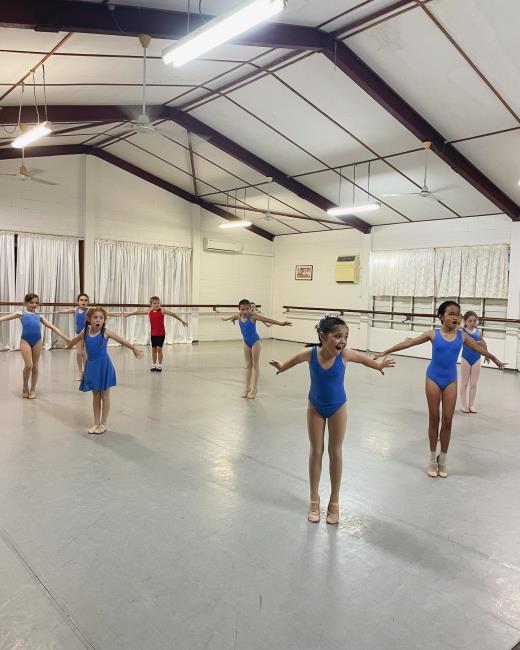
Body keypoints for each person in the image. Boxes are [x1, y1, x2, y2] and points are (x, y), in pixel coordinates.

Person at [270, 316, 395, 524]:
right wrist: (282, 366)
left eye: (345, 337)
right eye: (337, 336)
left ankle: (334, 500)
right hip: (315, 407)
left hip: (338, 408)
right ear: (323, 336)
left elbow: (364, 360)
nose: (342, 341)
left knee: (335, 452)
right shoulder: (310, 354)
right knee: (316, 451)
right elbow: (293, 360)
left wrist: (378, 365)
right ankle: (314, 498)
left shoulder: (345, 354)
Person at [374, 301, 505, 478]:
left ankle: (442, 459)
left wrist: (495, 359)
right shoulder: (432, 334)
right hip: (433, 379)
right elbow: (409, 343)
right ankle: (432, 459)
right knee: (434, 419)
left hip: (450, 380)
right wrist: (385, 351)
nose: (456, 317)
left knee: (448, 420)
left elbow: (479, 348)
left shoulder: (462, 336)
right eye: (451, 314)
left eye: (458, 314)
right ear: (441, 316)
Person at [66, 306, 143, 434]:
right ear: (89, 319)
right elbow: (74, 340)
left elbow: (122, 341)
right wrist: (68, 346)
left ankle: (103, 424)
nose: (98, 320)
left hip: (104, 366)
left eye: (101, 318)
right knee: (96, 395)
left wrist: (133, 349)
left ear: (104, 320)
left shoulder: (106, 332)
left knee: (105, 396)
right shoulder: (85, 332)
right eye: (95, 317)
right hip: (91, 367)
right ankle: (96, 423)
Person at [0, 293, 70, 399]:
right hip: (25, 341)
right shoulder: (20, 313)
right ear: (25, 303)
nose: (34, 305)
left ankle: (32, 389)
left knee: (35, 366)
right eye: (31, 302)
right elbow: (3, 318)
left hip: (37, 341)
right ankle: (25, 386)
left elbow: (53, 327)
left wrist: (67, 339)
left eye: (36, 303)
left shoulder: (39, 316)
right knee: (29, 365)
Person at [222, 298, 292, 399]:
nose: (245, 311)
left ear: (250, 308)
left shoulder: (253, 317)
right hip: (246, 343)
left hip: (255, 342)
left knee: (255, 365)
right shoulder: (238, 316)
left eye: (247, 309)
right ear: (239, 309)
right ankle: (247, 388)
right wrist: (229, 319)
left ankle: (254, 389)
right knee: (248, 366)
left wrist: (280, 323)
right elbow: (233, 316)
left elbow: (267, 320)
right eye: (242, 309)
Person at [55, 294, 127, 380]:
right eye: (81, 300)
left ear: (88, 302)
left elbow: (105, 313)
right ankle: (80, 372)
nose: (83, 302)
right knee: (79, 353)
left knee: (85, 353)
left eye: (85, 300)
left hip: (87, 334)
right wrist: (58, 312)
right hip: (79, 334)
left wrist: (119, 314)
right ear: (77, 302)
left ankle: (87, 372)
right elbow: (67, 311)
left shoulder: (89, 311)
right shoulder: (76, 309)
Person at [124, 296, 188, 372]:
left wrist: (182, 321)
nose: (157, 304)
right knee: (154, 349)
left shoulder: (162, 311)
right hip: (153, 334)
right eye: (154, 303)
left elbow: (172, 314)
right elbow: (138, 312)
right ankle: (154, 365)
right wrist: (130, 314)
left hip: (161, 334)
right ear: (151, 304)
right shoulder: (149, 311)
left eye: (158, 303)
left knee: (159, 349)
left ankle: (160, 365)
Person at [460, 310, 489, 413]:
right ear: (465, 321)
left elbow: (483, 343)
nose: (472, 323)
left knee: (473, 384)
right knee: (464, 383)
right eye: (470, 321)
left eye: (474, 321)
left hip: (476, 359)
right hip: (465, 359)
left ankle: (471, 405)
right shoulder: (462, 332)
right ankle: (464, 405)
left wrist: (487, 354)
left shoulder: (478, 332)